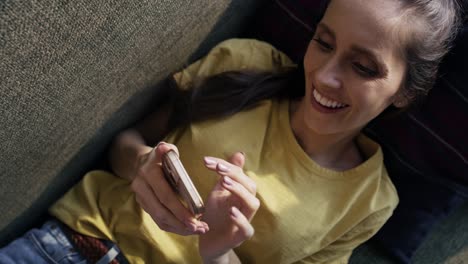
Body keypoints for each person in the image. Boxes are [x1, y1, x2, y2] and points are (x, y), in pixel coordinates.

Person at [0, 0, 462, 263]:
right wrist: (142, 163)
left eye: (362, 67)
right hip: (72, 248)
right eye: (322, 42)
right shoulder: (245, 62)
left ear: (405, 91)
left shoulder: (370, 201)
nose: (323, 76)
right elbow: (129, 140)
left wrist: (219, 249)